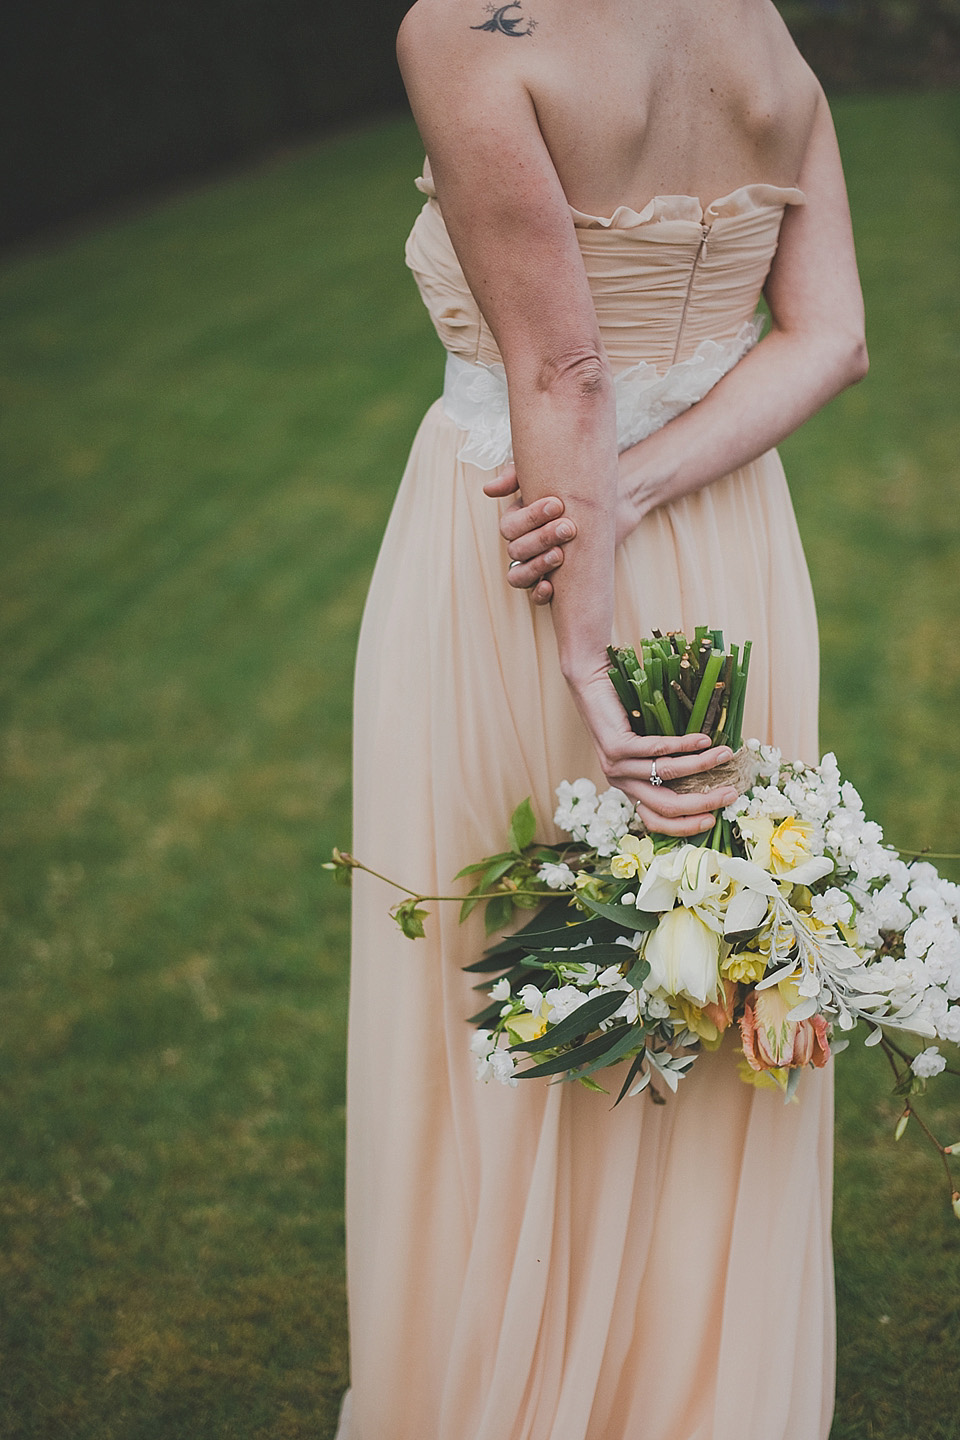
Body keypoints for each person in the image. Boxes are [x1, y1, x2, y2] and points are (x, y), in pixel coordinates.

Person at [340, 0, 867, 1435]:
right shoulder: (760, 31)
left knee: (503, 957)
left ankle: (516, 1384)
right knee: (712, 952)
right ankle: (699, 1390)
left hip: (524, 548)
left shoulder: (469, 34)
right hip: (730, 537)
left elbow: (562, 374)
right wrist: (641, 492)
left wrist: (586, 640)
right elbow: (831, 338)